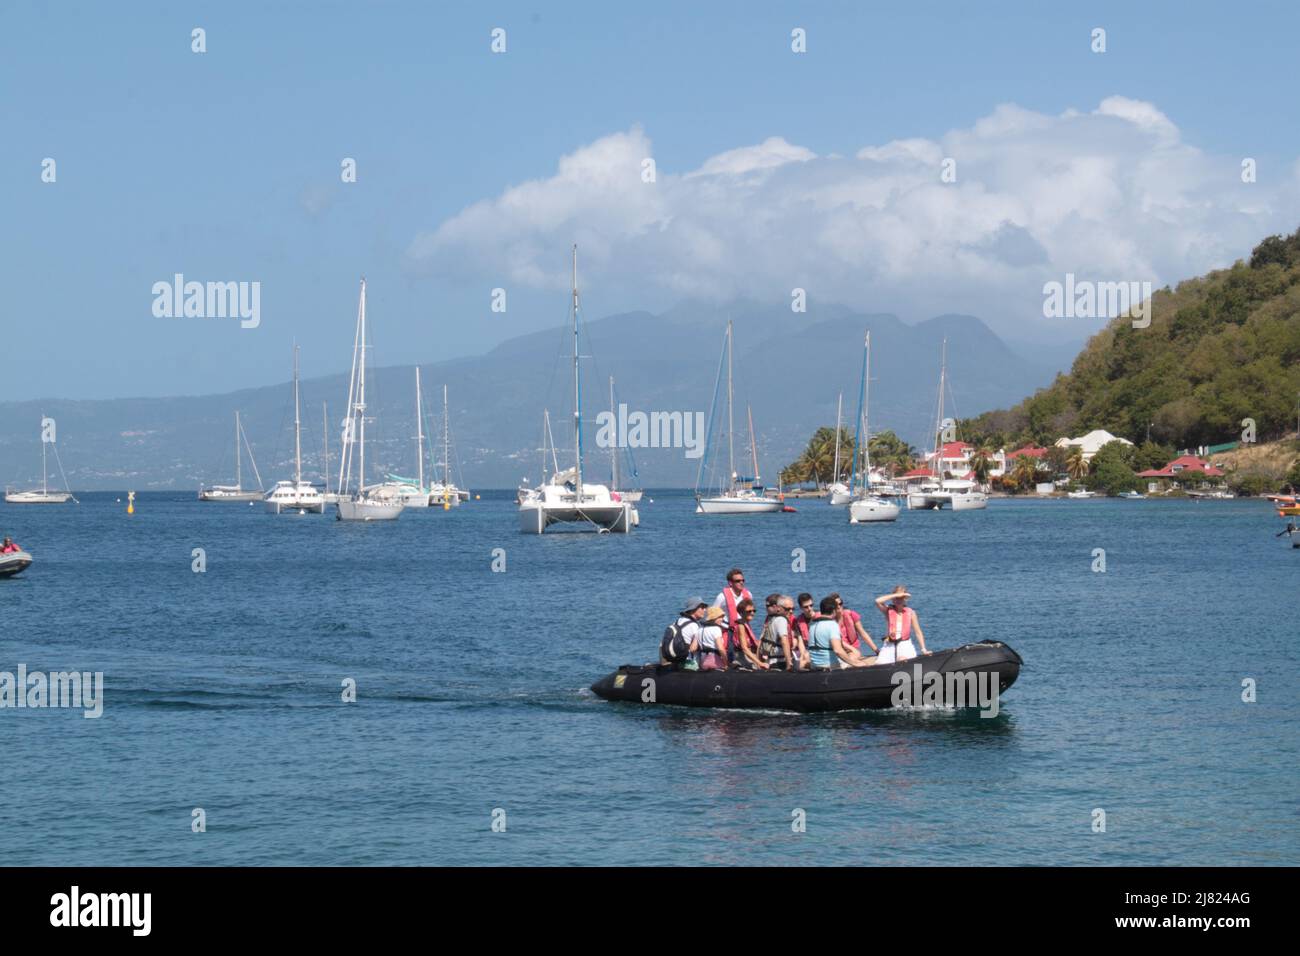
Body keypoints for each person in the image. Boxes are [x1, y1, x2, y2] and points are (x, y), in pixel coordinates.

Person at [807, 596, 872, 670]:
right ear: (834, 611)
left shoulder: (812, 625)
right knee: (862, 663)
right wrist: (856, 663)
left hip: (814, 665)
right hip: (829, 665)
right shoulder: (832, 625)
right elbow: (838, 650)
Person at [874, 585, 928, 663]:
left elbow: (918, 632)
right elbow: (877, 601)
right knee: (880, 663)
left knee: (902, 660)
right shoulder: (888, 611)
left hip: (905, 645)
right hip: (890, 645)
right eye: (896, 598)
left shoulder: (911, 613)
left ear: (905, 599)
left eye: (901, 598)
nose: (899, 600)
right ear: (893, 599)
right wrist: (896, 595)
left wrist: (923, 649)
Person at [758, 594, 806, 670]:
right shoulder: (781, 620)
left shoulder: (773, 619)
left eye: (793, 609)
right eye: (788, 609)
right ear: (779, 608)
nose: (791, 611)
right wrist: (788, 663)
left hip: (772, 660)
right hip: (778, 663)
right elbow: (784, 641)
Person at [828, 592, 878, 663]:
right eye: (836, 605)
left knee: (852, 658)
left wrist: (876, 650)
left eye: (840, 603)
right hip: (838, 650)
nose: (839, 606)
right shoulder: (830, 621)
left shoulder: (851, 615)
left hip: (852, 650)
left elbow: (863, 633)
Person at [661, 596, 708, 668]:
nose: (704, 610)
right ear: (693, 609)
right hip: (689, 664)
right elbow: (694, 648)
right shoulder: (693, 626)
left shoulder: (678, 621)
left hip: (677, 662)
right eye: (702, 607)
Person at [729, 598, 768, 669]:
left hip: (749, 655)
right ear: (741, 613)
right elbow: (744, 648)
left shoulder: (746, 624)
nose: (752, 613)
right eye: (749, 611)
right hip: (742, 657)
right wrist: (760, 663)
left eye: (754, 611)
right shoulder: (741, 626)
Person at [697, 606, 730, 671]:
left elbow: (693, 648)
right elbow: (720, 648)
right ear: (713, 618)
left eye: (722, 617)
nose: (722, 619)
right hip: (715, 662)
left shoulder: (700, 629)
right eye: (720, 617)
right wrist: (726, 663)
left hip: (702, 662)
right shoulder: (716, 629)